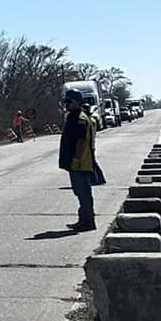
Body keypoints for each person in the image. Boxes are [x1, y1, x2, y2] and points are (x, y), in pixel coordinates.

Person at [58, 90, 98, 231]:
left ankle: (88, 222)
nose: (66, 104)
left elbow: (80, 142)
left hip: (81, 163)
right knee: (80, 193)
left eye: (69, 101)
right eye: (65, 102)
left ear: (78, 102)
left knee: (84, 193)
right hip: (77, 163)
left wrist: (76, 160)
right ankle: (83, 220)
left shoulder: (80, 119)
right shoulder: (73, 117)